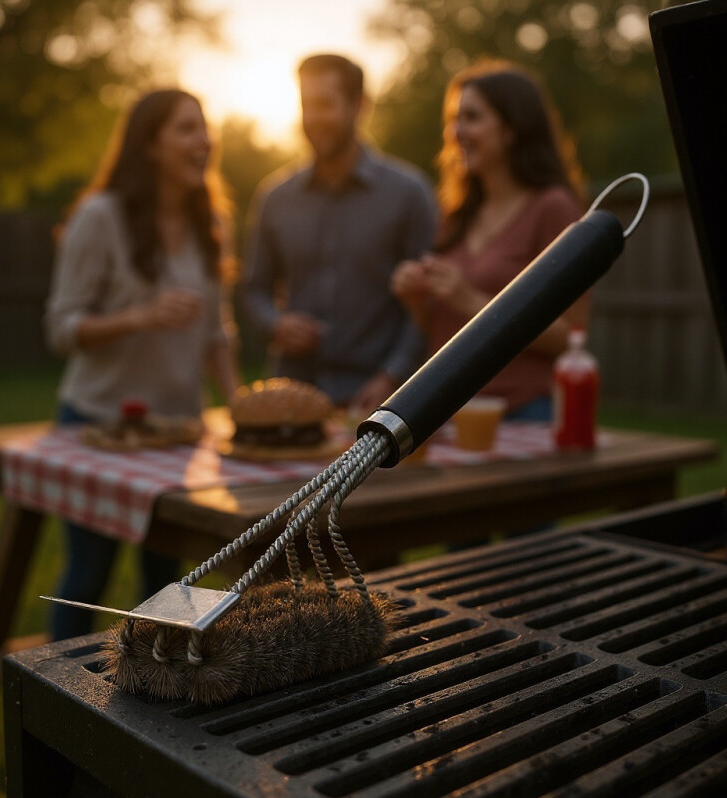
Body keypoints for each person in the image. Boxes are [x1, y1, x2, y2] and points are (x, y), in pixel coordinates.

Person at [44, 89, 240, 640]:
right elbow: (61, 328)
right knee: (88, 577)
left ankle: (152, 706)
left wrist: (238, 404)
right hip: (101, 425)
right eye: (185, 128)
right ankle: (54, 706)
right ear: (149, 144)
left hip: (178, 431)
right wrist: (141, 316)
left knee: (166, 580)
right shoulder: (99, 216)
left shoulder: (213, 223)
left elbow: (217, 332)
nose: (203, 141)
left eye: (205, 128)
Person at [391, 59, 587, 421]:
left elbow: (571, 336)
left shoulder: (551, 208)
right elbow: (444, 331)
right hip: (448, 411)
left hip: (523, 412)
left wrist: (471, 300)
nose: (455, 131)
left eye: (472, 117)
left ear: (512, 128)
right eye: (453, 119)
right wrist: (417, 301)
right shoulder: (454, 214)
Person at [243, 53, 437, 411]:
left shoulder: (409, 193)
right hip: (292, 401)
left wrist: (392, 378)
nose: (313, 119)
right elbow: (254, 289)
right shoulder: (274, 197)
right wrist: (276, 324)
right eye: (306, 106)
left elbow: (427, 303)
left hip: (376, 404)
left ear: (359, 106)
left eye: (324, 105)